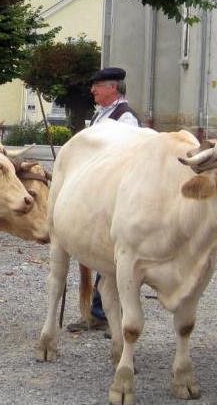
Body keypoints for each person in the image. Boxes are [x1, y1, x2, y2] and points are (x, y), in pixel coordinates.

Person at [68, 67, 138, 333]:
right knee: (96, 252)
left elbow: (124, 158)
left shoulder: (126, 119)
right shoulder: (102, 114)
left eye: (97, 86)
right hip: (96, 192)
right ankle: (97, 313)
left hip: (115, 195)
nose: (92, 90)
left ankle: (111, 316)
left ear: (113, 88)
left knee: (113, 258)